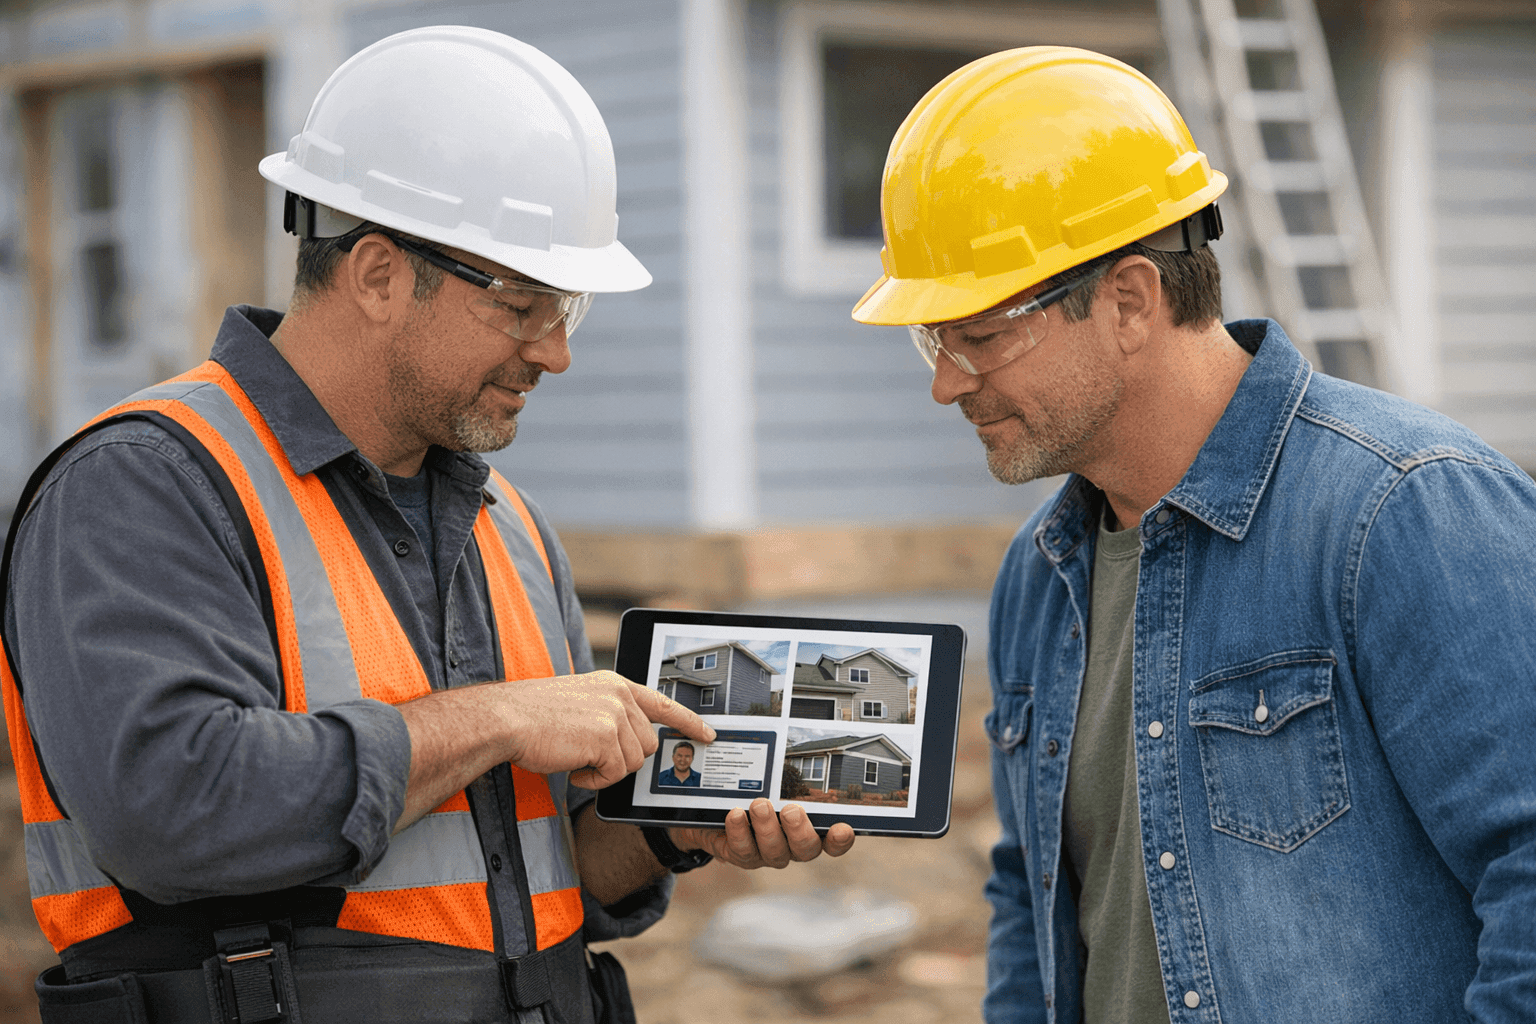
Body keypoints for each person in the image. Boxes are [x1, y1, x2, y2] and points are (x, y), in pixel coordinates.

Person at [2, 26, 852, 1024]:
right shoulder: (144, 484)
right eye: (522, 305)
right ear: (377, 274)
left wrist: (673, 832)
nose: (555, 353)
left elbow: (539, 878)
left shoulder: (511, 526)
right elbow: (174, 812)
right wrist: (498, 718)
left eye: (566, 310)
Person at [851, 46, 1536, 1024]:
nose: (946, 382)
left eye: (980, 335)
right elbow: (1031, 900)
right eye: (934, 340)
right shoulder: (1039, 576)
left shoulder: (1404, 511)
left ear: (1130, 300)